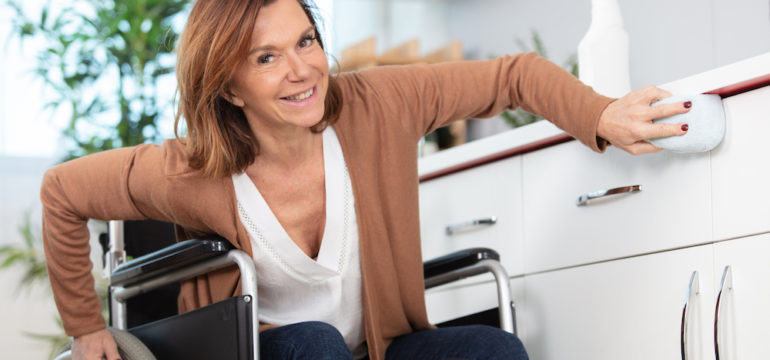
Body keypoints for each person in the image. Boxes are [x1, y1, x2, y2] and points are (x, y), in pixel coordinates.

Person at [39, 0, 691, 359]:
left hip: (374, 347)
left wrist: (600, 113)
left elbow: (512, 75)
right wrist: (87, 328)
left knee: (490, 353)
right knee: (316, 347)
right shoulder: (186, 168)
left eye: (306, 41)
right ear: (228, 87)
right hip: (267, 357)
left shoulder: (378, 103)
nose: (300, 70)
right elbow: (62, 194)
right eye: (267, 58)